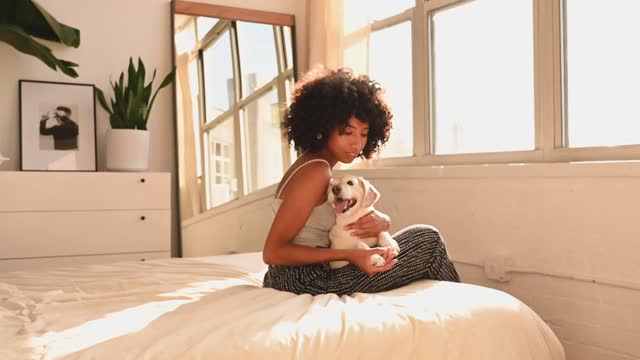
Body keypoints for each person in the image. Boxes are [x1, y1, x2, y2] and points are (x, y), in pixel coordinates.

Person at [262, 67, 460, 296]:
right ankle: (462, 309)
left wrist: (380, 222)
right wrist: (350, 255)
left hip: (298, 275)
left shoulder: (313, 164)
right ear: (324, 127)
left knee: (413, 245)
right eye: (348, 132)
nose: (357, 143)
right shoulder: (316, 171)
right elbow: (273, 252)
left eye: (364, 134)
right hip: (305, 280)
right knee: (428, 240)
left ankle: (449, 307)